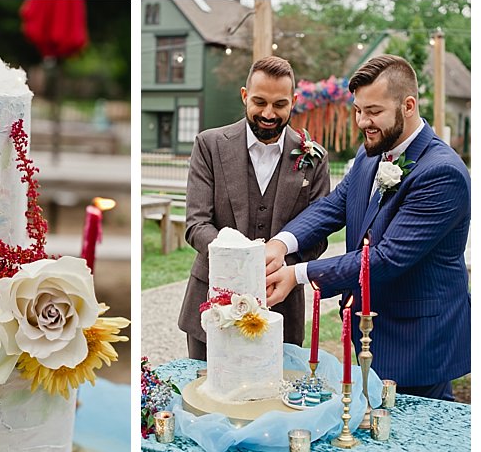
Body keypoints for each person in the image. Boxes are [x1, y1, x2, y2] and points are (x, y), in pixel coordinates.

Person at [265, 54, 471, 401]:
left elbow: (386, 259)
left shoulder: (442, 173)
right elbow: (334, 205)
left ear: (408, 105)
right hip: (366, 334)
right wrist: (282, 243)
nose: (362, 121)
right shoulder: (371, 153)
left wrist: (298, 274)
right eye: (359, 110)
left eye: (373, 111)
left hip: (417, 343)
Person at [178, 56, 332, 360]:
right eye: (260, 102)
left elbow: (319, 233)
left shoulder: (314, 157)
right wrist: (244, 260)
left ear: (294, 102)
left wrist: (281, 266)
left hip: (281, 309)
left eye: (279, 104)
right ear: (245, 96)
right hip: (212, 302)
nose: (268, 113)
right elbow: (196, 225)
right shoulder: (209, 145)